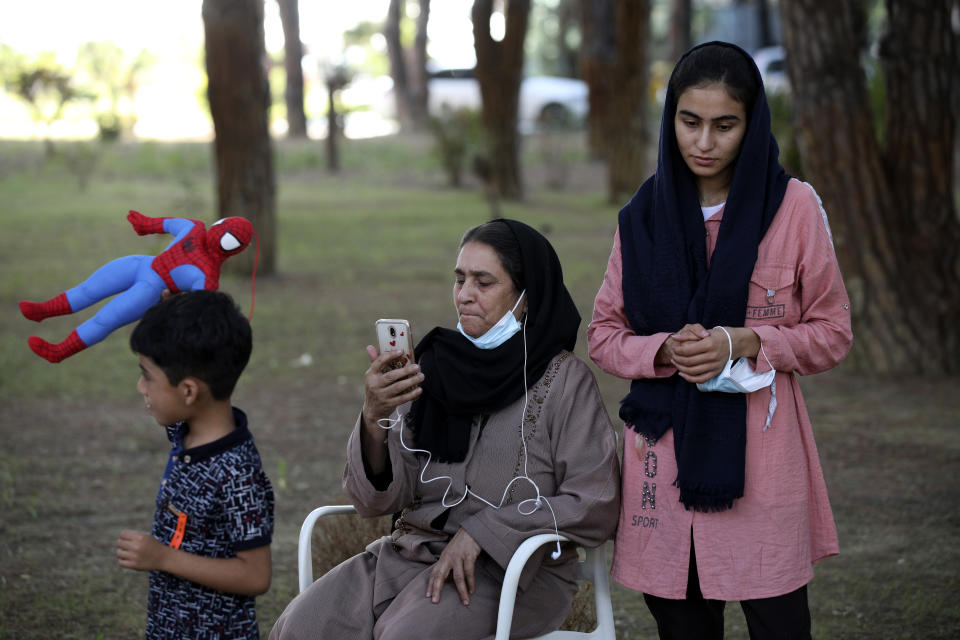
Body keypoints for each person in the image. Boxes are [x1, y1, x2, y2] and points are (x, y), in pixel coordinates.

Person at [588, 41, 853, 639]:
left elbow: (833, 333)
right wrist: (661, 350)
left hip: (762, 467)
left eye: (724, 125)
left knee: (780, 623)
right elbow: (604, 335)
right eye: (689, 122)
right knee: (682, 627)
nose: (703, 142)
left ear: (751, 124)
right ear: (670, 119)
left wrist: (748, 340)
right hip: (663, 458)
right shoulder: (642, 216)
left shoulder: (794, 208)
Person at [271, 219, 620, 639]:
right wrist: (374, 417)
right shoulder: (432, 367)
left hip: (512, 574)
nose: (464, 295)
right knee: (300, 627)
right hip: (407, 555)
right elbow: (377, 499)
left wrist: (484, 532)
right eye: (459, 280)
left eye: (483, 282)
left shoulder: (563, 381)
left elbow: (595, 500)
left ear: (526, 297)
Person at [116, 289, 274, 640]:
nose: (140, 386)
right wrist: (172, 309)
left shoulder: (236, 474)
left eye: (147, 375)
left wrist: (163, 558)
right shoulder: (186, 433)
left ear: (189, 391)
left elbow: (255, 576)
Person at [19, 209, 253, 362]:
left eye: (227, 235)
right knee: (88, 289)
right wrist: (143, 224)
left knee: (105, 319)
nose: (218, 233)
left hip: (149, 289)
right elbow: (163, 223)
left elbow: (196, 307)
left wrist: (172, 304)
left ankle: (60, 351)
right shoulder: (194, 229)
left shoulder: (207, 275)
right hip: (141, 264)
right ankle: (44, 310)